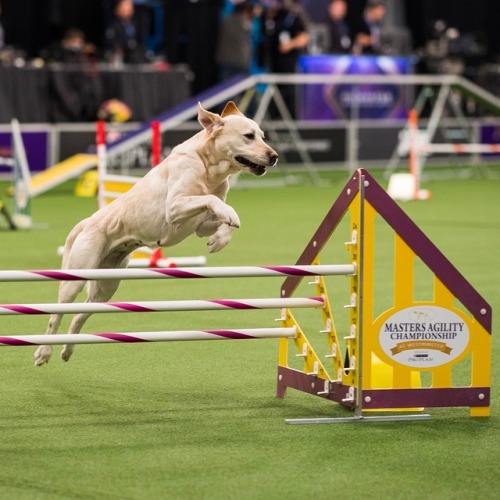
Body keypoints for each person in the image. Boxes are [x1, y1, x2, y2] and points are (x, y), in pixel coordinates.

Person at [258, 0, 310, 118]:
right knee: (272, 102)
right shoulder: (265, 17)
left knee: (289, 99)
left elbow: (304, 37)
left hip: (288, 68)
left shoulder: (290, 16)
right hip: (271, 68)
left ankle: (289, 128)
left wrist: (290, 44)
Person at [216, 0, 254, 81]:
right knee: (242, 90)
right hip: (240, 62)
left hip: (225, 60)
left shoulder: (225, 20)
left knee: (225, 90)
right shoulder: (247, 24)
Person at [104, 0, 144, 64]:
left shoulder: (136, 24)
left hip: (133, 59)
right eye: (125, 5)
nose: (128, 8)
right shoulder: (114, 26)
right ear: (118, 9)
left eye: (130, 6)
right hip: (119, 60)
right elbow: (111, 44)